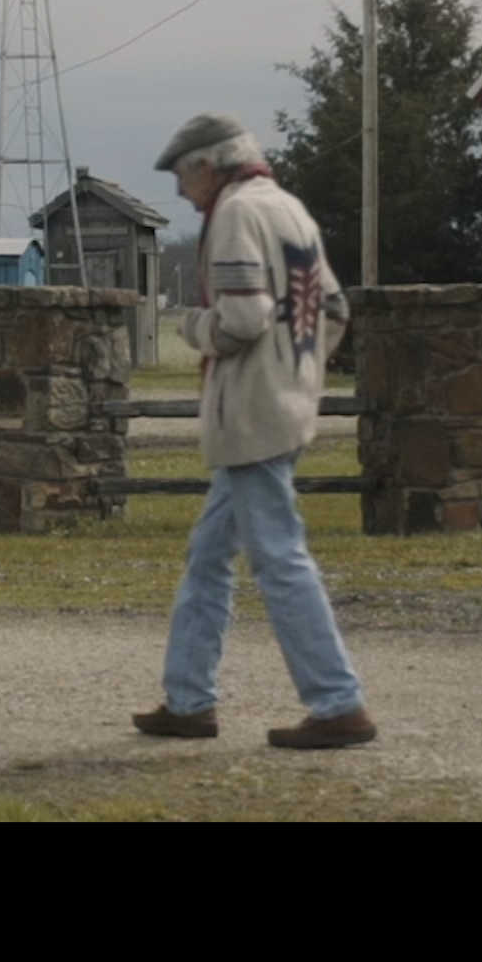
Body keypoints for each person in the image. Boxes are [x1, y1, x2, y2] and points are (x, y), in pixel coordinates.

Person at [133, 110, 377, 750]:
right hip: (282, 404)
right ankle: (187, 700)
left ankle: (337, 702)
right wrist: (296, 372)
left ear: (207, 166)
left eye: (185, 179)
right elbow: (333, 310)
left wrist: (191, 328)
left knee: (278, 556)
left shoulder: (238, 214)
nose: (184, 194)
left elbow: (240, 319)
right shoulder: (289, 208)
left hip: (249, 414)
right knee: (210, 556)